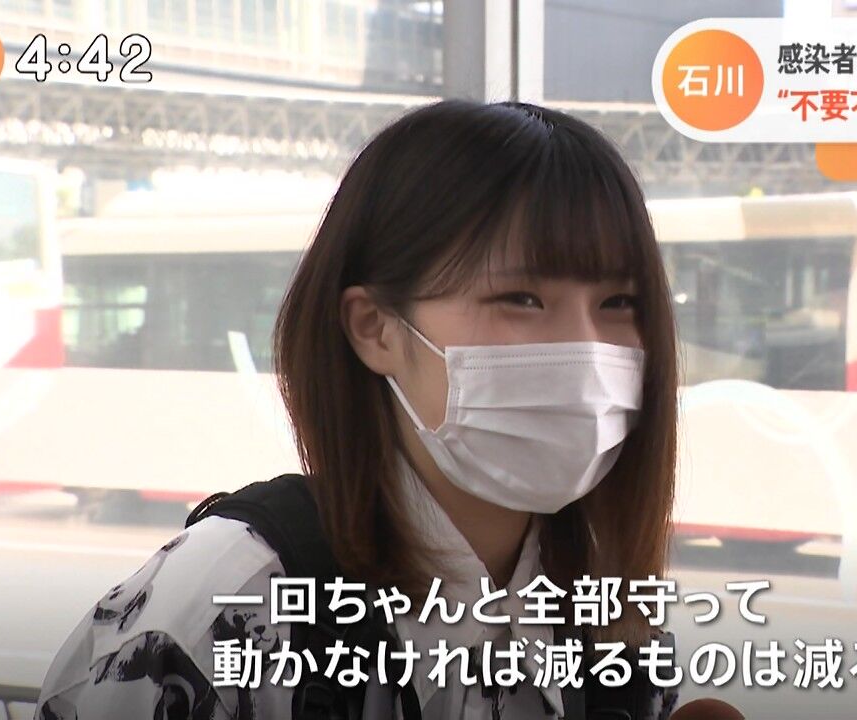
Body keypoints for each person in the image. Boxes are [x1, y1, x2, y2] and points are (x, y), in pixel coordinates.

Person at [34, 99, 681, 719]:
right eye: (522, 299)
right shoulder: (232, 604)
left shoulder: (610, 620)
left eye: (619, 305)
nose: (586, 348)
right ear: (376, 328)